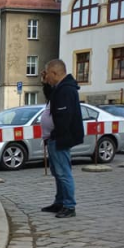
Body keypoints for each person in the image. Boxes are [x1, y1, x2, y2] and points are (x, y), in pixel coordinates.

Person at [41, 59, 84, 218]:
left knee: (63, 172)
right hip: (55, 137)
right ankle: (60, 201)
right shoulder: (60, 88)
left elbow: (64, 117)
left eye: (48, 74)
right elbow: (50, 98)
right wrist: (45, 83)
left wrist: (55, 134)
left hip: (60, 138)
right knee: (57, 172)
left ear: (54, 72)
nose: (47, 77)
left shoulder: (65, 90)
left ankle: (69, 205)